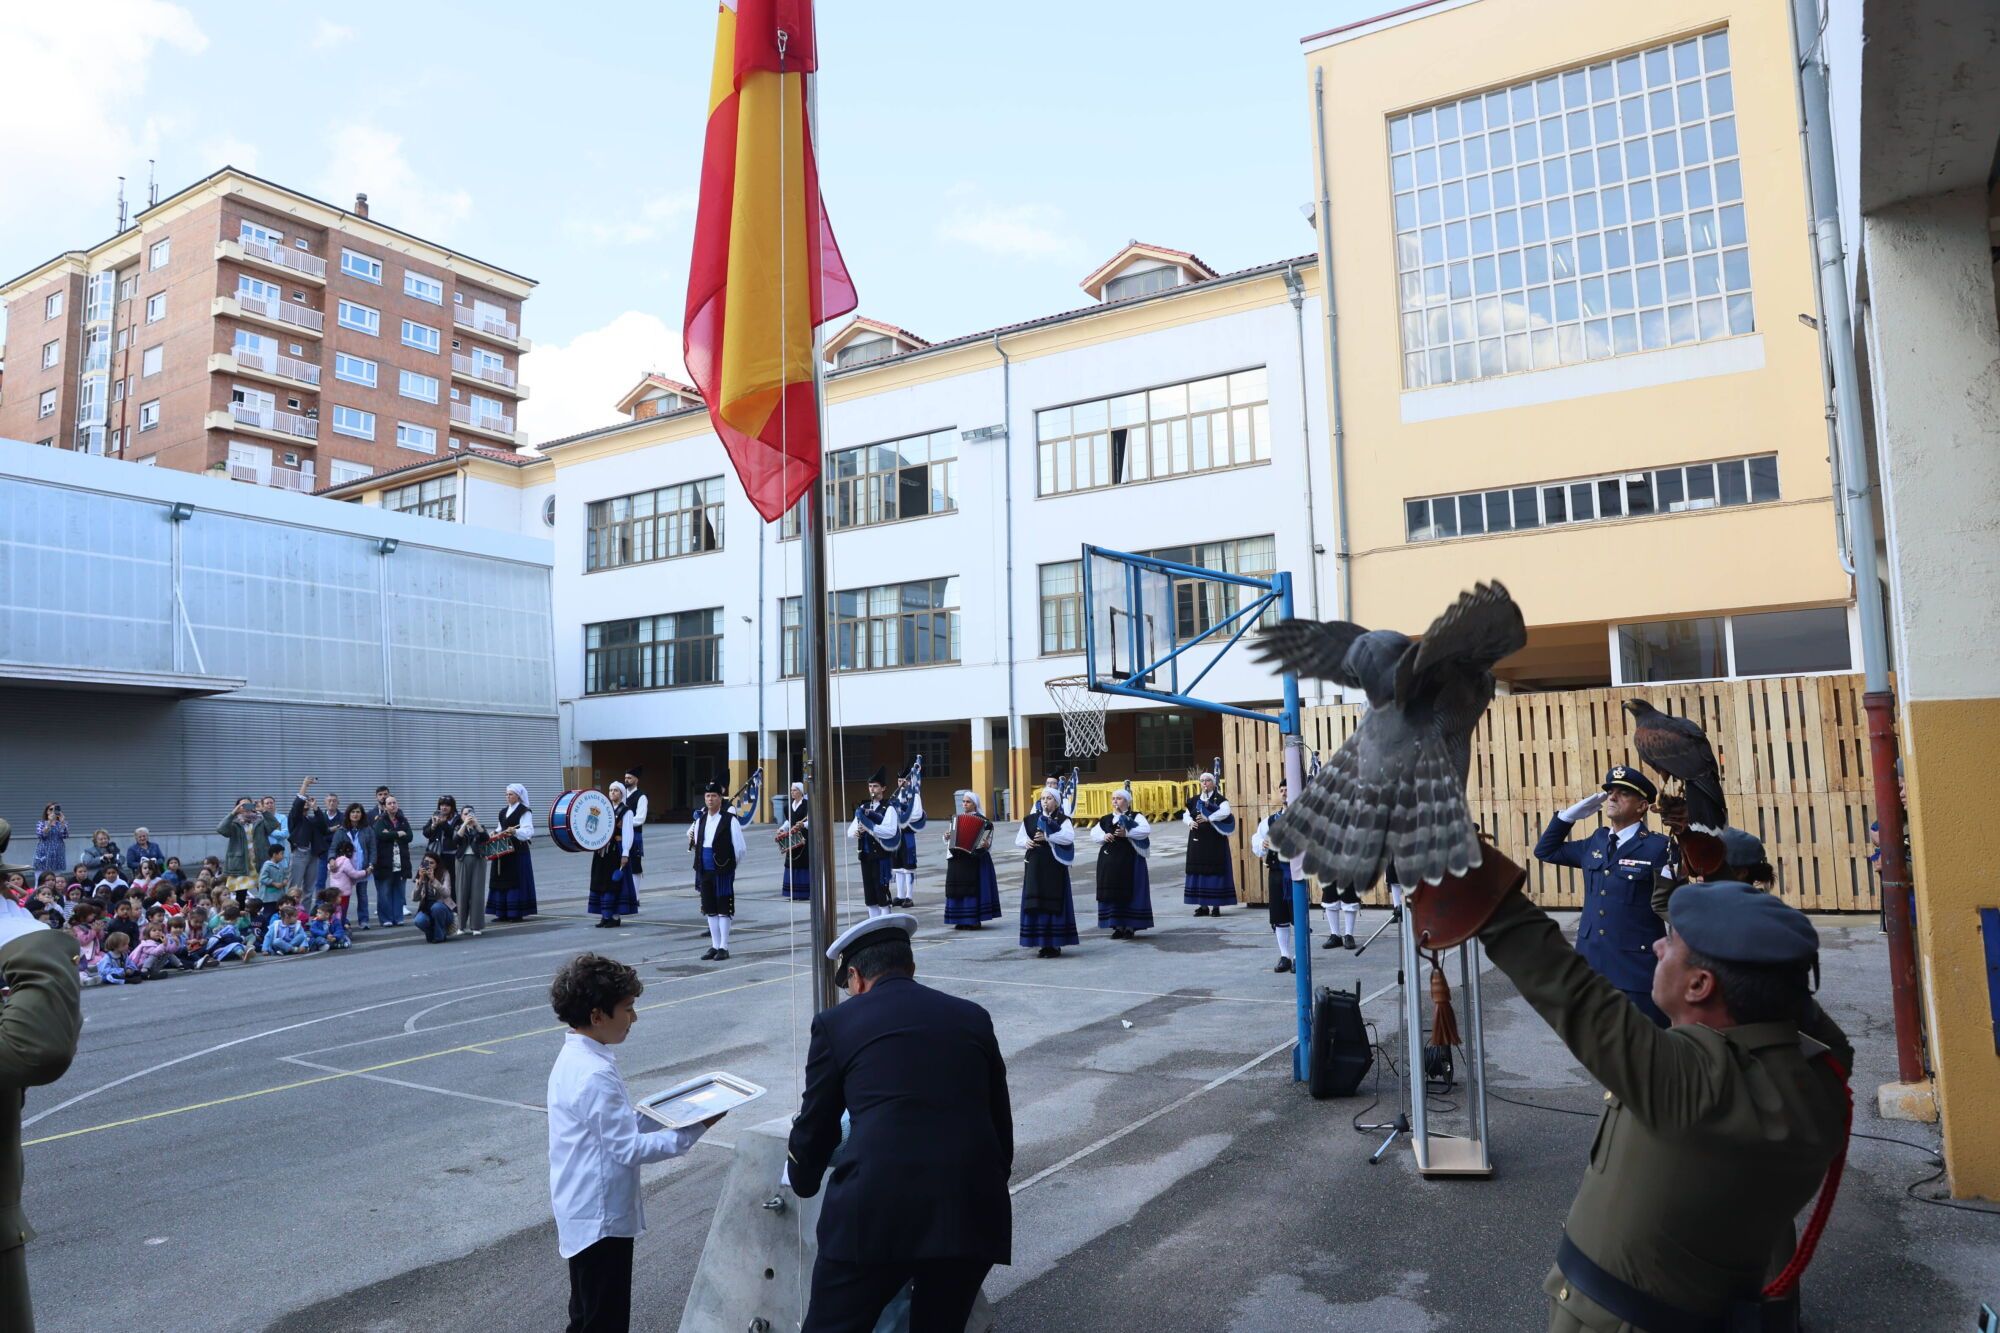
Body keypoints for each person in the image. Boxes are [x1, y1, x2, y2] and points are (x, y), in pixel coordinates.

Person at [1468, 878, 1851, 1331]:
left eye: (1670, 942)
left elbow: (1567, 986)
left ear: (1699, 985)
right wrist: (1780, 976)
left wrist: (1473, 878)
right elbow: (1818, 1029)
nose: (1656, 947)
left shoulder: (1696, 1083)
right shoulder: (1824, 1075)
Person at [786, 914, 1011, 1333]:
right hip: (969, 1210)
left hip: (875, 1213)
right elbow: (1000, 1124)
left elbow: (817, 1124)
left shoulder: (836, 1024)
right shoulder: (972, 1017)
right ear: (911, 968)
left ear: (854, 977)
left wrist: (801, 1178)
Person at [547, 953, 721, 1333]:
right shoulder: (593, 1073)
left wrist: (666, 1109)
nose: (634, 1017)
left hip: (583, 1207)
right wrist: (696, 1126)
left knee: (587, 1315)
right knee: (603, 1321)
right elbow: (628, 1149)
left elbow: (613, 1126)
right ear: (597, 1016)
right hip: (599, 1217)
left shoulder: (580, 1056)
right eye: (627, 1008)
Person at [1534, 766, 1676, 1027]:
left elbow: (1675, 905)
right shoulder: (1597, 841)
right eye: (1610, 792)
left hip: (1636, 970)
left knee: (1644, 1053)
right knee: (1600, 1053)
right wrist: (1566, 817)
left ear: (1642, 806)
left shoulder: (1659, 848)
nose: (1612, 797)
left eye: (1623, 794)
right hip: (1591, 967)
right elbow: (1545, 851)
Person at [1016, 786, 1079, 959]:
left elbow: (1068, 837)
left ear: (1056, 802)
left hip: (1054, 865)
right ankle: (1042, 944)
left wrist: (1048, 837)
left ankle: (1054, 944)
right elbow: (1019, 839)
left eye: (1049, 798)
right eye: (1043, 798)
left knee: (1053, 903)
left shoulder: (1063, 819)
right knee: (1037, 903)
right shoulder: (1030, 819)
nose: (1045, 801)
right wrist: (1026, 842)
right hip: (1035, 866)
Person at [688, 781, 745, 960]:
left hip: (722, 871)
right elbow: (697, 844)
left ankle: (724, 947)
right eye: (707, 796)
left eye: (714, 796)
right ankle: (714, 945)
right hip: (704, 870)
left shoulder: (730, 820)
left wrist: (729, 866)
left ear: (720, 799)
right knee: (710, 908)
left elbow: (740, 848)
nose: (710, 799)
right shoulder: (700, 820)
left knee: (723, 909)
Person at [1091, 788, 1153, 939]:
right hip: (1110, 863)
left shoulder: (1136, 816)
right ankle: (1117, 926)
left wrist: (1127, 833)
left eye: (1118, 798)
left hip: (1131, 861)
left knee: (1132, 891)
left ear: (1127, 801)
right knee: (1113, 892)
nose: (1115, 801)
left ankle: (1130, 926)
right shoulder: (1106, 819)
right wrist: (1103, 836)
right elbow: (1093, 833)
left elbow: (1145, 830)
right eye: (1113, 798)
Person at [1252, 784, 1301, 973]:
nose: (1284, 792)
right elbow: (1256, 839)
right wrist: (1262, 844)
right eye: (1281, 790)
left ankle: (1299, 956)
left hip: (1296, 873)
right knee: (1279, 915)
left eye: (1287, 788)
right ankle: (1285, 956)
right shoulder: (1271, 820)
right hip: (1277, 873)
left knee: (1297, 915)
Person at [846, 769, 901, 921]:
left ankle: (886, 924)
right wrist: (856, 832)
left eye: (875, 786)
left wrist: (870, 829)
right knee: (869, 894)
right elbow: (850, 830)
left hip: (881, 857)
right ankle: (873, 924)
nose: (872, 789)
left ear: (883, 788)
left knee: (881, 892)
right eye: (870, 786)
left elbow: (890, 831)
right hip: (865, 855)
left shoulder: (888, 808)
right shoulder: (863, 808)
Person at [942, 791, 1002, 930]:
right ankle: (960, 919)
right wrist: (947, 836)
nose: (964, 804)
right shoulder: (957, 819)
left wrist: (986, 845)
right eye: (963, 801)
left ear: (974, 804)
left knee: (973, 888)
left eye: (967, 802)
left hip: (976, 859)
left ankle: (973, 919)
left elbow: (987, 843)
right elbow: (952, 840)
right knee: (957, 889)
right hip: (958, 858)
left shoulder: (985, 822)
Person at [1181, 772, 1236, 916]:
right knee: (1199, 872)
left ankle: (1216, 906)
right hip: (1197, 842)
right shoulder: (1193, 800)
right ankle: (1203, 906)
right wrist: (1190, 822)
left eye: (1207, 780)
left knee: (1214, 872)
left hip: (1214, 842)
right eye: (1202, 781)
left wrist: (1208, 818)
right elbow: (1186, 815)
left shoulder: (1220, 800)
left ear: (1213, 783)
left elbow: (1225, 812)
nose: (1204, 783)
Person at [589, 783, 640, 930]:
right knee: (601, 882)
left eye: (616, 790)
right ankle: (605, 916)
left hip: (616, 851)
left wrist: (625, 853)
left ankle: (614, 917)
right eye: (610, 790)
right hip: (601, 851)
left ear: (622, 794)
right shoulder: (604, 808)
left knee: (614, 884)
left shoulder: (626, 812)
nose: (612, 793)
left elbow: (628, 834)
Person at [489, 784, 540, 923]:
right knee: (501, 878)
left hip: (517, 851)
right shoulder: (503, 811)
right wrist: (495, 833)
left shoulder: (525, 811)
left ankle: (516, 913)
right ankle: (502, 912)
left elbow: (528, 832)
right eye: (506, 794)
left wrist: (515, 831)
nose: (508, 797)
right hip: (503, 850)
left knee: (515, 880)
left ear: (518, 796)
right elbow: (500, 828)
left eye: (511, 794)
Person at [328, 805, 376, 929]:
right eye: (353, 812)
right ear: (348, 814)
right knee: (342, 898)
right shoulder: (341, 830)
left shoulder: (368, 830)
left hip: (362, 869)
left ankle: (364, 921)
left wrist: (371, 865)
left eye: (358, 812)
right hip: (345, 871)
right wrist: (332, 859)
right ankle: (340, 920)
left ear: (362, 814)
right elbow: (333, 848)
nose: (355, 814)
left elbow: (372, 849)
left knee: (362, 895)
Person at [372, 795, 416, 928]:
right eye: (389, 803)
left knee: (398, 891)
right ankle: (386, 918)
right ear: (385, 807)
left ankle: (398, 917)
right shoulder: (380, 820)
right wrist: (397, 834)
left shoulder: (403, 820)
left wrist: (390, 833)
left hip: (401, 861)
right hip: (385, 862)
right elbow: (380, 834)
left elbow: (409, 836)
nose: (392, 805)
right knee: (384, 891)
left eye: (394, 803)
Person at [889, 765, 925, 909]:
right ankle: (900, 895)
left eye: (904, 780)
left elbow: (917, 814)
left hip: (908, 834)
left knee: (908, 866)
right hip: (897, 834)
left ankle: (909, 897)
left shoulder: (914, 795)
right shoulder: (897, 795)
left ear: (910, 781)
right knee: (897, 867)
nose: (901, 783)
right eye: (899, 781)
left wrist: (902, 811)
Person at [287, 778, 329, 895]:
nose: (306, 802)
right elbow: (297, 805)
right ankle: (290, 912)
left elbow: (323, 827)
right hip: (300, 853)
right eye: (304, 801)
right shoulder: (295, 818)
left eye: (308, 801)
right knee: (294, 887)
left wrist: (315, 808)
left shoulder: (311, 819)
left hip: (313, 854)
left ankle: (304, 913)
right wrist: (305, 785)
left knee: (309, 889)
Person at [453, 804, 489, 937]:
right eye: (465, 813)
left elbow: (486, 838)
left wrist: (476, 824)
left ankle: (476, 925)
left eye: (471, 813)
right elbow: (456, 840)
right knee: (462, 892)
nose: (468, 815)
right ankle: (461, 925)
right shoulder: (458, 827)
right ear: (461, 816)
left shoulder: (479, 827)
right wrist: (464, 825)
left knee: (477, 893)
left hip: (478, 860)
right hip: (462, 861)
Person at [776, 782, 811, 903]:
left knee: (803, 862)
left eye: (795, 790)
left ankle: (804, 892)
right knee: (792, 862)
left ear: (801, 792)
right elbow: (788, 822)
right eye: (791, 790)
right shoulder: (788, 807)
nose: (792, 792)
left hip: (804, 838)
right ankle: (792, 892)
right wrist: (782, 829)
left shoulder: (807, 805)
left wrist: (804, 824)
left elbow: (813, 821)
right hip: (792, 838)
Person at [411, 855, 456, 944]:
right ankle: (431, 932)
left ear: (437, 865)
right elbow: (414, 898)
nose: (429, 865)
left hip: (443, 910)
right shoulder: (421, 875)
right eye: (426, 862)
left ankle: (440, 935)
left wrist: (433, 880)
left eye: (432, 863)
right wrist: (420, 880)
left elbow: (447, 893)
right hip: (427, 910)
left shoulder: (444, 873)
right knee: (418, 920)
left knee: (437, 907)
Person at [256, 843, 291, 941]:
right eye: (281, 854)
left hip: (278, 896)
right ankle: (266, 933)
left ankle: (277, 932)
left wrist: (284, 881)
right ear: (274, 854)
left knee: (277, 914)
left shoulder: (280, 866)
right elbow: (263, 878)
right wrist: (274, 883)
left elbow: (284, 876)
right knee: (268, 914)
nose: (282, 856)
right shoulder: (267, 865)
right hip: (268, 897)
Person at [32, 806, 68, 879]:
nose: (53, 811)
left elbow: (65, 836)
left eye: (55, 809)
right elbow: (41, 836)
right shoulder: (41, 823)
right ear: (47, 811)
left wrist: (62, 823)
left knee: (56, 880)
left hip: (57, 855)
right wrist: (49, 823)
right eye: (51, 809)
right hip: (43, 854)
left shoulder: (62, 823)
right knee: (40, 880)